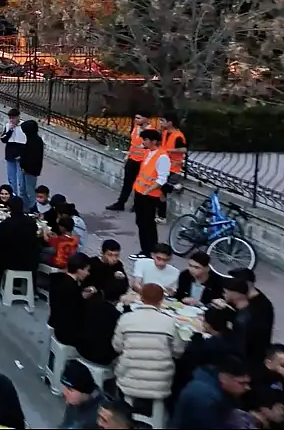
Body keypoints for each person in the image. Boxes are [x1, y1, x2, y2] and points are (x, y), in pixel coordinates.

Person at [112, 283, 182, 416]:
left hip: (128, 378)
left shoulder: (126, 319)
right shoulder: (170, 322)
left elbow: (117, 347)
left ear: (141, 298)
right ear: (161, 301)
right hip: (161, 383)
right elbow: (178, 351)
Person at [172, 355, 253, 428]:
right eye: (242, 383)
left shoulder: (215, 388)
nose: (247, 388)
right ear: (223, 378)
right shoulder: (204, 398)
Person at [128, 129, 169, 259]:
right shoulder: (148, 152)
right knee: (141, 222)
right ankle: (146, 249)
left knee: (147, 224)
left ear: (154, 141)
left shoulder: (162, 157)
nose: (143, 142)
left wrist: (147, 190)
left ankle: (148, 251)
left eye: (145, 140)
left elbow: (162, 179)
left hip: (149, 195)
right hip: (140, 192)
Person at [59, 360, 104, 429]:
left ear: (84, 391)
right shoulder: (75, 402)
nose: (64, 392)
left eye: (70, 389)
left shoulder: (100, 417)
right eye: (64, 387)